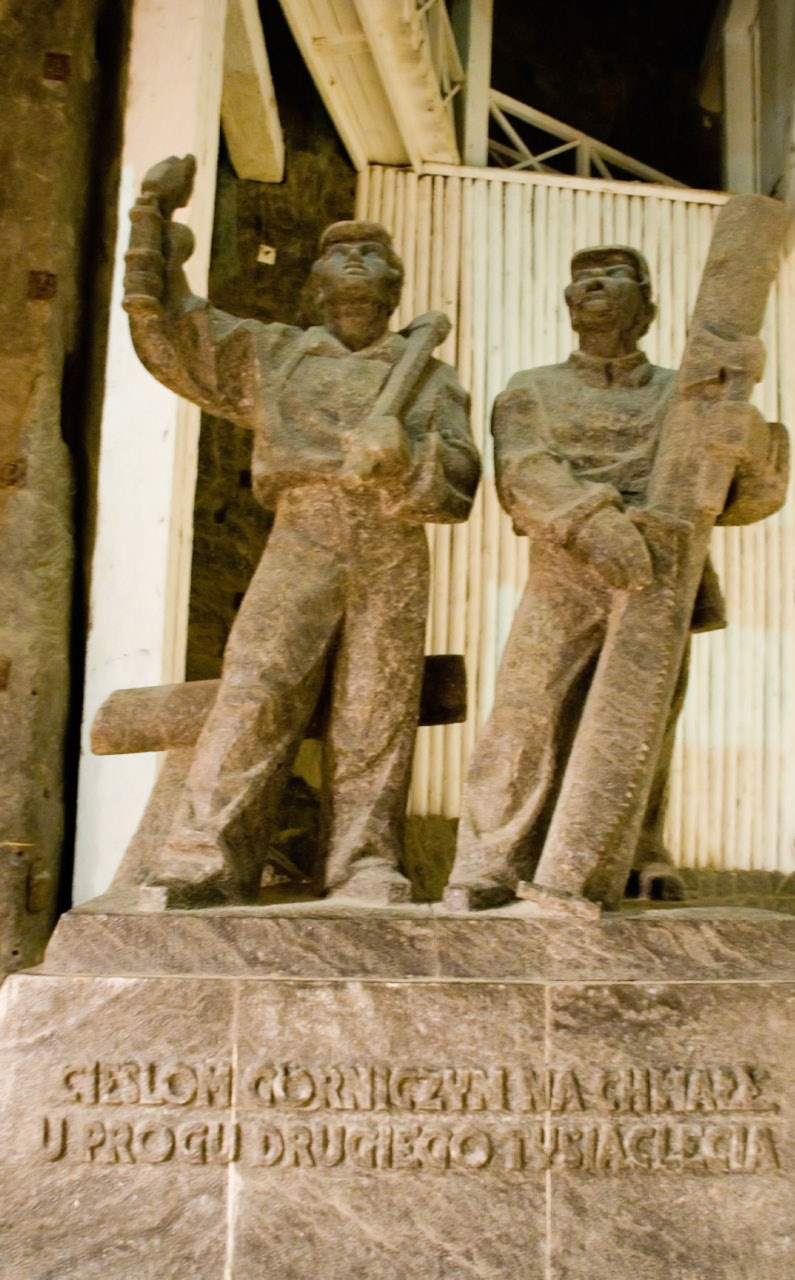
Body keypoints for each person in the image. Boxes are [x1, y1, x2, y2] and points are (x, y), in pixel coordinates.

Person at [123, 155, 480, 907]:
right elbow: (180, 334)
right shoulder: (277, 355)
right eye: (338, 253)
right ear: (314, 284)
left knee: (378, 702)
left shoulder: (430, 378)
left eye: (371, 254)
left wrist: (405, 458)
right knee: (258, 683)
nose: (354, 261)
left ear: (394, 286)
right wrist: (151, 223)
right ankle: (205, 853)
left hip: (390, 540)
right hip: (304, 530)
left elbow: (458, 482)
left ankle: (364, 862)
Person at [445, 244, 788, 911]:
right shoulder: (531, 388)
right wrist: (594, 523)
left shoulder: (688, 393)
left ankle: (635, 853)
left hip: (663, 576)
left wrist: (742, 434)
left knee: (644, 721)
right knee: (524, 711)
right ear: (569, 306)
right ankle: (490, 860)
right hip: (565, 568)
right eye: (582, 279)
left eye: (614, 275)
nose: (595, 284)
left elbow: (746, 498)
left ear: (647, 307)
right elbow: (522, 470)